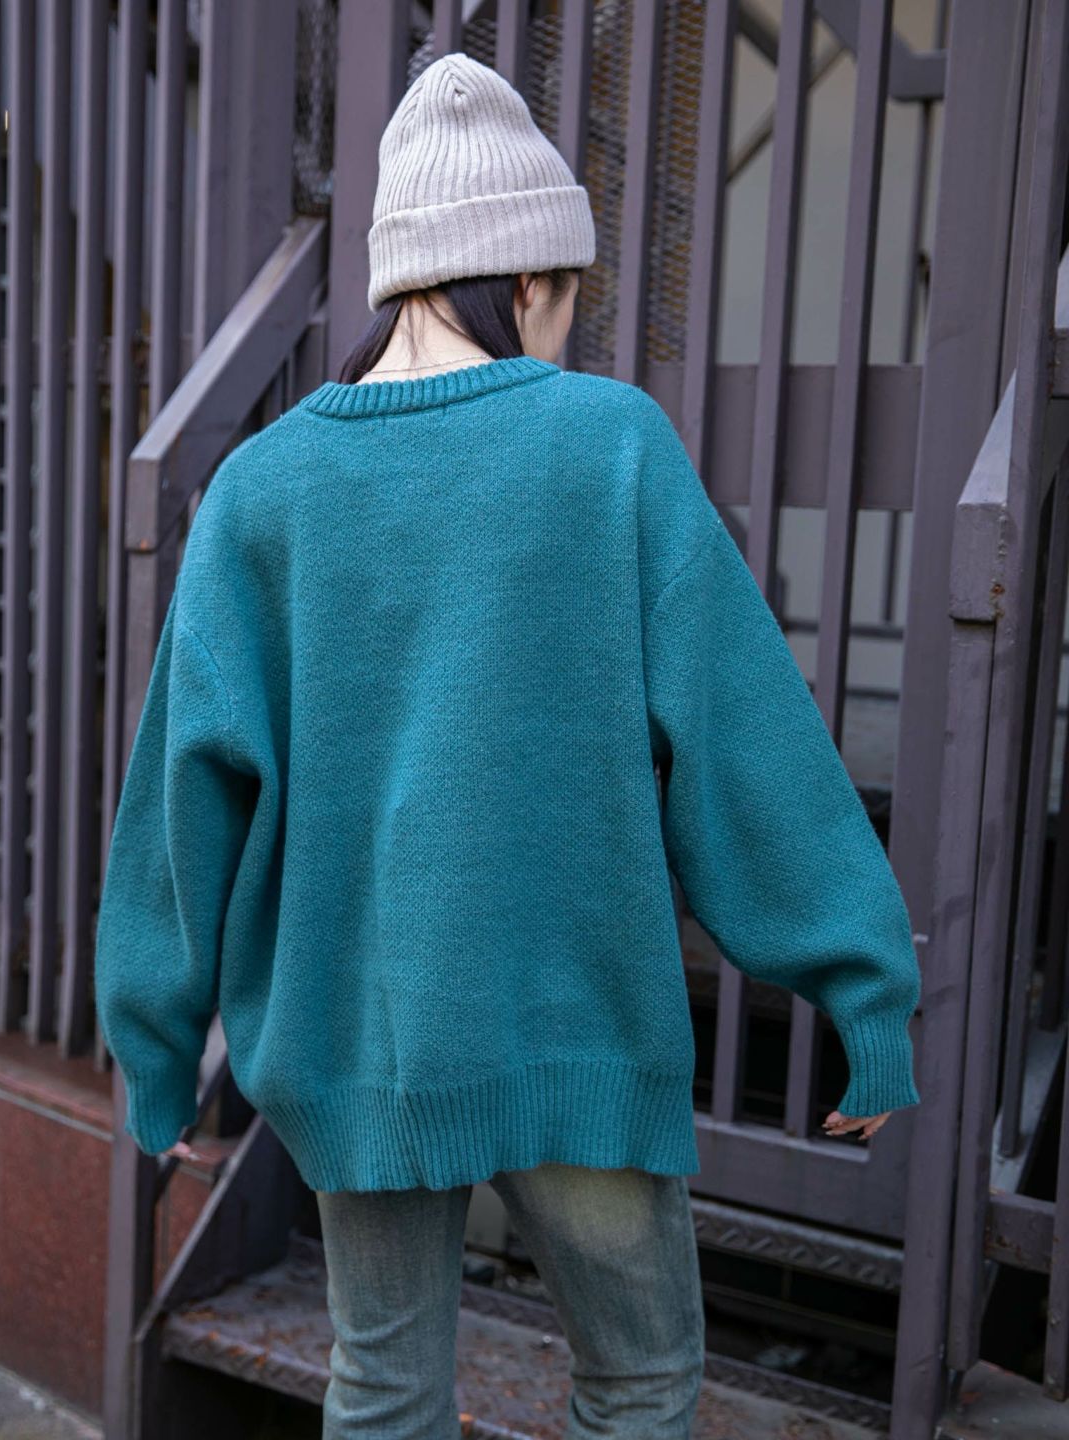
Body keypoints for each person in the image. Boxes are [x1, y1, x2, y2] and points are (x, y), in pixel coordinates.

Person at [94, 51, 922, 1439]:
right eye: (570, 294)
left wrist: (158, 1047)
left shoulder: (261, 489)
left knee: (382, 1388)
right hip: (570, 1024)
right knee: (639, 1380)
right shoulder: (610, 447)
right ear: (526, 275)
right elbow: (744, 737)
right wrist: (863, 986)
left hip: (358, 1039)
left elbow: (181, 793)